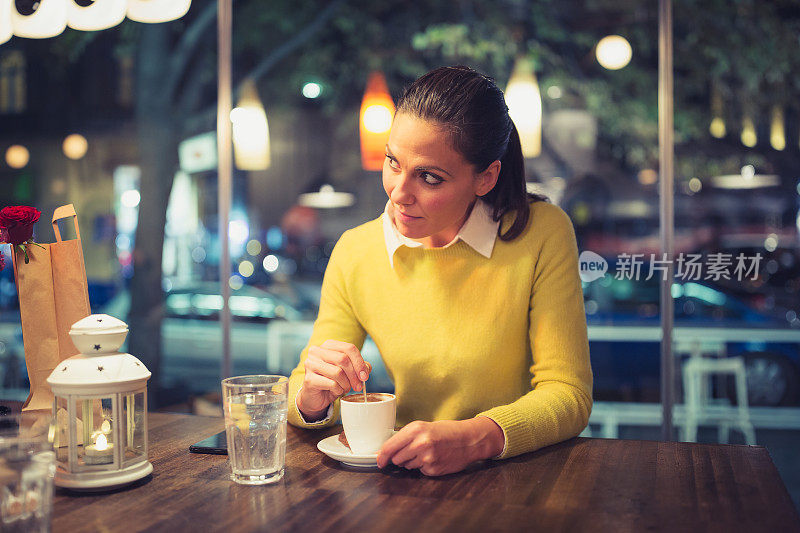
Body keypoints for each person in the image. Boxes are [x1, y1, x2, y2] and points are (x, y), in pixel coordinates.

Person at [288, 65, 592, 476]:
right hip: (401, 473)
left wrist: (477, 437)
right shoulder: (356, 251)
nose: (399, 194)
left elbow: (568, 393)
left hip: (514, 478)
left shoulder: (541, 231)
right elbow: (301, 390)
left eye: (429, 177)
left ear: (485, 177)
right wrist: (312, 397)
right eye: (393, 162)